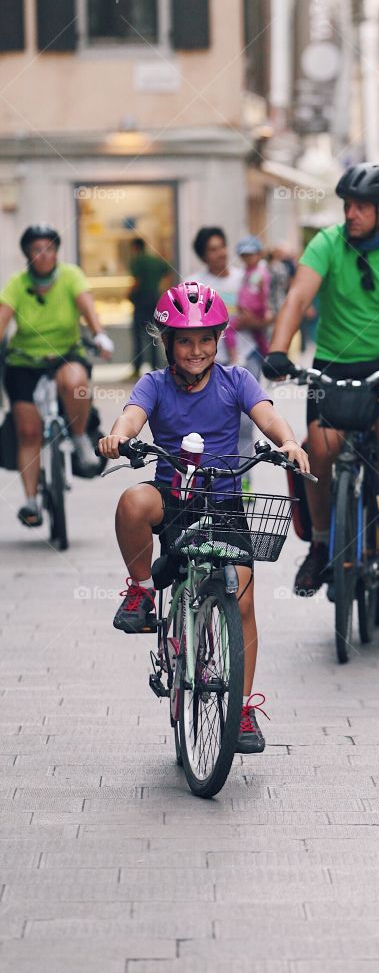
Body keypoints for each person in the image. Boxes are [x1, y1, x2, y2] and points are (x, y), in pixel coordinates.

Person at [98, 281, 309, 754]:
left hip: (223, 504)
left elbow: (267, 416)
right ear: (168, 344)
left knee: (244, 597)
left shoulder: (236, 380)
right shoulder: (153, 384)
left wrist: (289, 442)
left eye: (206, 339)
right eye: (186, 341)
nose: (197, 350)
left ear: (219, 340)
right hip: (171, 497)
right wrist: (118, 437)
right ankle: (141, 593)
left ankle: (244, 708)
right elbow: (131, 417)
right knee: (132, 501)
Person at [262, 163, 379, 590]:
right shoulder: (326, 243)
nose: (351, 214)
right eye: (348, 205)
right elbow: (297, 296)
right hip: (333, 364)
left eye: (362, 207)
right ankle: (321, 544)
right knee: (321, 448)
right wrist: (278, 350)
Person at [0, 224, 115, 526]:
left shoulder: (70, 275)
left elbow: (86, 306)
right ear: (27, 253)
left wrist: (99, 334)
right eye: (37, 249)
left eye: (49, 248)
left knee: (76, 381)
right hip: (24, 361)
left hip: (65, 353)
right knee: (28, 431)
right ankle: (31, 502)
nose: (44, 255)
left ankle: (78, 440)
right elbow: (3, 318)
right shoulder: (17, 283)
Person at [231, 236, 274, 460]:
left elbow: (268, 307)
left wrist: (254, 317)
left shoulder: (262, 274)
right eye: (244, 255)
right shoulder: (246, 275)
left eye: (251, 254)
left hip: (252, 347)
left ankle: (243, 480)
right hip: (247, 340)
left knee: (247, 418)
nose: (248, 259)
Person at [187, 227, 243, 365]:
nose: (221, 253)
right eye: (213, 250)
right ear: (203, 256)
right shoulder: (193, 285)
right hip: (212, 360)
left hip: (248, 354)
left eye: (222, 246)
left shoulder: (243, 278)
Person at [128, 238, 170, 374]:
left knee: (138, 335)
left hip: (141, 300)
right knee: (153, 333)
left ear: (135, 247)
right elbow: (167, 271)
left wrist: (128, 294)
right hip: (155, 299)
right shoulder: (155, 260)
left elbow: (137, 281)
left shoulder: (137, 260)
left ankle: (137, 367)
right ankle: (154, 367)